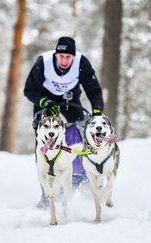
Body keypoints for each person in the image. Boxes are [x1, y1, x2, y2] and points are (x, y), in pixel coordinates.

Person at [24, 36, 104, 209]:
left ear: (74, 57)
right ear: (56, 54)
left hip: (71, 101)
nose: (65, 60)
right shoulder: (43, 62)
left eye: (69, 57)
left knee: (83, 132)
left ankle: (84, 179)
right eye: (61, 56)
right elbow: (29, 90)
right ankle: (47, 193)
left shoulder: (82, 63)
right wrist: (44, 102)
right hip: (45, 101)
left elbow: (93, 89)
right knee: (44, 141)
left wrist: (97, 111)